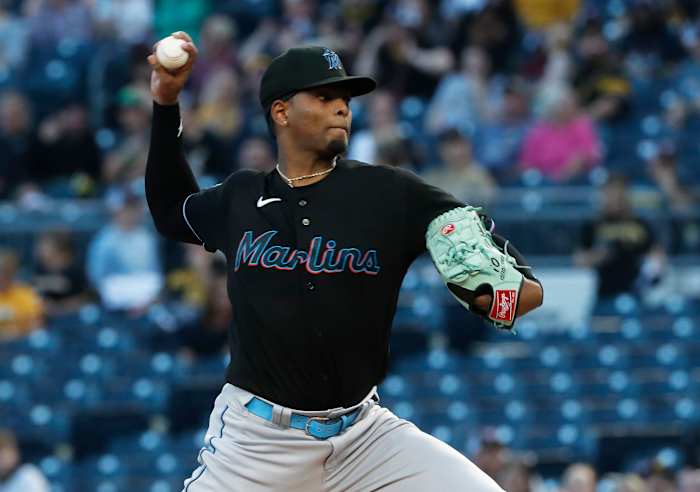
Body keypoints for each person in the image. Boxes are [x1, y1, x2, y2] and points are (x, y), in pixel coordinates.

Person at [145, 33, 543, 491]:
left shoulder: (392, 193)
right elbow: (172, 211)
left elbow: (517, 294)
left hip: (364, 437)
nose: (342, 107)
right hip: (257, 443)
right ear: (282, 111)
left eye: (345, 98)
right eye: (324, 95)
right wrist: (166, 102)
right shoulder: (240, 196)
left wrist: (502, 291)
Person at [574, 174, 660, 301]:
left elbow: (656, 255)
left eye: (620, 191)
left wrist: (651, 272)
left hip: (637, 292)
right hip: (604, 292)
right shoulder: (593, 224)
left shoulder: (640, 224)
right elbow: (578, 260)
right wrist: (598, 256)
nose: (615, 197)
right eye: (611, 192)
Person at [33, 230, 90, 317]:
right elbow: (36, 292)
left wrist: (60, 307)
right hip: (47, 317)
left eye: (45, 245)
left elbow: (85, 299)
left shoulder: (76, 270)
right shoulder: (40, 268)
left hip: (74, 316)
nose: (40, 249)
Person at [0, 249, 43, 341]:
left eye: (5, 272)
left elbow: (37, 323)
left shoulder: (26, 294)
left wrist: (18, 332)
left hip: (21, 342)